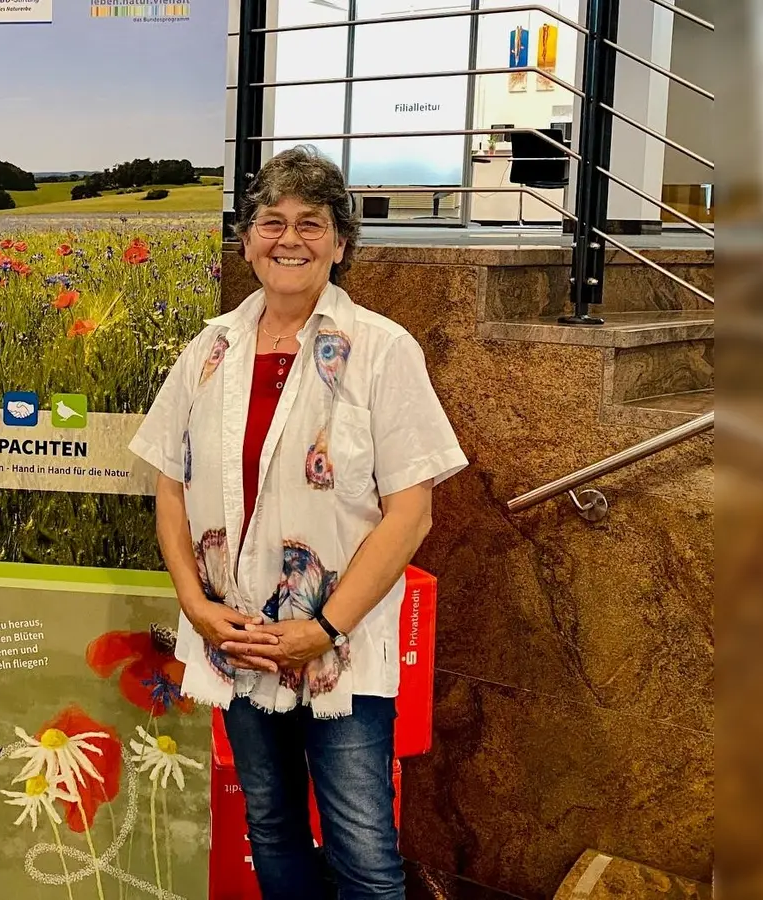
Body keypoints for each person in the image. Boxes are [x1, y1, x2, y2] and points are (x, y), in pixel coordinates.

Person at [129, 146, 467, 900]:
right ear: (247, 239)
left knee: (364, 855)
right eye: (271, 221)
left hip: (335, 646)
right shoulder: (209, 349)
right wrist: (196, 606)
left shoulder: (382, 350)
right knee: (273, 829)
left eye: (311, 223)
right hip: (237, 638)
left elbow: (411, 513)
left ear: (342, 242)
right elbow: (170, 487)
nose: (289, 239)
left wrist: (325, 628)